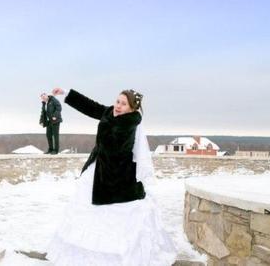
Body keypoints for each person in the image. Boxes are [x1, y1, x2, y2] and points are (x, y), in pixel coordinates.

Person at [46, 88, 176, 266]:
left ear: (131, 109)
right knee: (86, 211)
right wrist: (67, 94)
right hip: (99, 168)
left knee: (113, 218)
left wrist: (107, 131)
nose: (118, 106)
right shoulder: (110, 113)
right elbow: (91, 107)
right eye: (117, 102)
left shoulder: (129, 124)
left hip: (117, 176)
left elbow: (116, 148)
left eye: (124, 104)